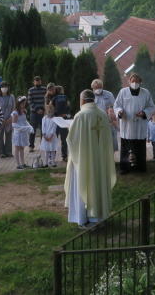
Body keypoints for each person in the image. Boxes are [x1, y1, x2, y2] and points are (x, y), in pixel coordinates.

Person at [64, 90, 116, 229]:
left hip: (83, 160)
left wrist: (70, 129)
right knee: (98, 185)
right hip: (99, 159)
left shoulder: (80, 115)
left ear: (82, 101)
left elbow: (73, 139)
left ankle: (83, 219)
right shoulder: (102, 114)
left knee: (84, 184)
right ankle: (99, 218)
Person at [114, 73, 155, 174]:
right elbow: (117, 105)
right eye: (133, 81)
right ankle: (125, 168)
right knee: (126, 147)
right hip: (127, 124)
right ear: (129, 82)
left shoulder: (146, 93)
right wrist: (119, 111)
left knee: (140, 147)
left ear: (140, 82)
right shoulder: (123, 92)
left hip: (140, 124)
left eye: (137, 81)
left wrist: (144, 113)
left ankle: (140, 167)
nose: (135, 83)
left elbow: (151, 106)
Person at [91, 79, 118, 154]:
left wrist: (113, 116)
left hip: (109, 122)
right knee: (99, 143)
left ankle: (111, 161)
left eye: (100, 88)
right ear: (93, 88)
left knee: (111, 143)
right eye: (96, 88)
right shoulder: (91, 96)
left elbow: (115, 106)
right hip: (97, 123)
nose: (98, 90)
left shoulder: (108, 94)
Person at [50, 85, 71, 161]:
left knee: (53, 139)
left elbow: (50, 105)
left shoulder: (54, 98)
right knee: (64, 139)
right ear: (62, 91)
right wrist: (66, 113)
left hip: (56, 119)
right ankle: (64, 156)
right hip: (63, 120)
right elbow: (68, 105)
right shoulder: (65, 97)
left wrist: (55, 113)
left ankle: (51, 157)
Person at [11, 96, 32, 170]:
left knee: (22, 148)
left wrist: (29, 126)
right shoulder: (15, 112)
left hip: (23, 133)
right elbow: (14, 124)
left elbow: (25, 120)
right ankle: (18, 164)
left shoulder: (24, 111)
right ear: (19, 103)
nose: (24, 105)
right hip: (18, 132)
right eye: (22, 104)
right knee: (17, 148)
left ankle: (23, 163)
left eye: (24, 104)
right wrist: (26, 128)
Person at [27, 76, 47, 152]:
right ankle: (31, 146)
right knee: (32, 129)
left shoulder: (45, 90)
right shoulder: (31, 90)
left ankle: (43, 145)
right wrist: (37, 109)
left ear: (41, 82)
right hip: (33, 112)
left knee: (43, 129)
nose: (37, 83)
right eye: (36, 82)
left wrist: (42, 109)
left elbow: (46, 100)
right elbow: (30, 101)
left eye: (39, 82)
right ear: (34, 82)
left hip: (42, 112)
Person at [0, 82, 15, 158]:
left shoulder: (11, 97)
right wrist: (1, 119)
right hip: (0, 120)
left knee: (9, 136)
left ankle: (8, 151)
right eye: (2, 87)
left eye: (6, 86)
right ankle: (1, 152)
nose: (4, 88)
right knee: (0, 136)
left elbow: (13, 108)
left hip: (9, 120)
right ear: (0, 88)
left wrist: (10, 118)